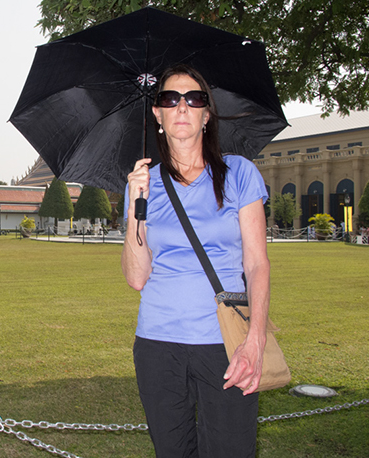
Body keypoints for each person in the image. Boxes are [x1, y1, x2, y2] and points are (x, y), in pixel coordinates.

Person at [121, 64, 270, 457]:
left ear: (207, 114)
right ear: (158, 114)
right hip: (158, 343)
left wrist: (255, 340)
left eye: (194, 99)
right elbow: (137, 277)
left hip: (225, 342)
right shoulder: (143, 183)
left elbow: (257, 265)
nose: (182, 107)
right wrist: (137, 206)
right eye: (170, 99)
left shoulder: (240, 174)